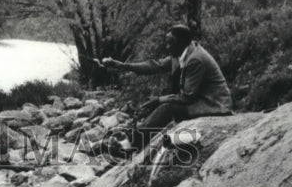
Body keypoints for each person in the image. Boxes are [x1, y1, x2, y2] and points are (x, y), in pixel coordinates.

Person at [99, 24, 232, 132]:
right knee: (160, 106)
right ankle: (137, 135)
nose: (167, 47)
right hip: (199, 99)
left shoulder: (195, 59)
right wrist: (121, 65)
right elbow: (154, 66)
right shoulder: (180, 54)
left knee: (167, 108)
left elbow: (187, 97)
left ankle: (134, 140)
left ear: (180, 43)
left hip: (214, 104)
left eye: (170, 43)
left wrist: (157, 101)